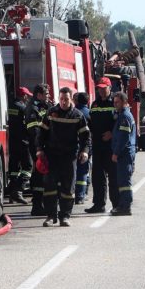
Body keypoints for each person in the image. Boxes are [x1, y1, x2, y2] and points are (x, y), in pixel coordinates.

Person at [36, 87, 90, 226]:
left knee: (68, 187)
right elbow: (41, 133)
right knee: (49, 187)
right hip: (52, 155)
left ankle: (65, 216)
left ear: (71, 99)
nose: (63, 102)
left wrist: (84, 151)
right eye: (61, 99)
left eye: (66, 99)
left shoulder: (77, 115)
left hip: (69, 156)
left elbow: (86, 137)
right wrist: (39, 150)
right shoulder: (51, 112)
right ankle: (50, 216)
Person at [85, 77, 117, 214]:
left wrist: (112, 133)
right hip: (97, 146)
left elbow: (122, 122)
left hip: (111, 146)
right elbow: (91, 123)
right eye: (99, 88)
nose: (101, 91)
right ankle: (99, 204)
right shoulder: (95, 104)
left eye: (104, 88)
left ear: (110, 88)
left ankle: (117, 204)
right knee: (98, 177)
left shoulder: (116, 102)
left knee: (114, 177)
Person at [24, 84, 51, 216]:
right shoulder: (32, 108)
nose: (48, 96)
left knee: (44, 176)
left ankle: (43, 204)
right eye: (46, 94)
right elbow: (34, 131)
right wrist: (40, 148)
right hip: (37, 148)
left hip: (44, 147)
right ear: (39, 95)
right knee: (39, 177)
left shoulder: (44, 106)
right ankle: (37, 206)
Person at [110, 91, 137, 215]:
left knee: (124, 182)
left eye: (118, 102)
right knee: (122, 181)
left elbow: (123, 137)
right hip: (125, 153)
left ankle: (125, 207)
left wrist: (116, 152)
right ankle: (123, 205)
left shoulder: (125, 116)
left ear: (125, 102)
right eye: (114, 102)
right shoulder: (122, 115)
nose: (115, 104)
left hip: (124, 153)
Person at [6, 87, 33, 204]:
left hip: (12, 141)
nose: (27, 98)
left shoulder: (9, 106)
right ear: (24, 96)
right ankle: (18, 191)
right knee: (28, 166)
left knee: (14, 169)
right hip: (23, 141)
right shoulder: (23, 108)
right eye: (27, 96)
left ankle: (12, 193)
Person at [73, 91, 92, 204]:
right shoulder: (89, 113)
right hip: (85, 146)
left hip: (73, 145)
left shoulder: (73, 113)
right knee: (83, 171)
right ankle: (81, 196)